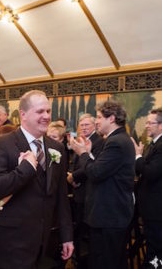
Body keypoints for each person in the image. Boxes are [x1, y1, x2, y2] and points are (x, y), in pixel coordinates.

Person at [0, 90, 73, 269]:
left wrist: (67, 236)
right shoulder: (2, 144)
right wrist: (25, 169)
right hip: (11, 242)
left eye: (48, 111)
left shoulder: (56, 147)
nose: (46, 116)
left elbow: (61, 196)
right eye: (40, 112)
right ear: (23, 115)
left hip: (45, 242)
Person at [70, 100, 135, 269]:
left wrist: (83, 153)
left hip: (109, 215)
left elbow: (95, 173)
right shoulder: (117, 139)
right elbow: (101, 169)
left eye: (99, 117)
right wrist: (90, 155)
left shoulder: (116, 142)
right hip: (110, 214)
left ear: (111, 118)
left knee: (106, 261)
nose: (96, 121)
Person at [67, 114, 104, 268]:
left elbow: (91, 166)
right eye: (81, 125)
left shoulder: (99, 142)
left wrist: (73, 177)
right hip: (79, 190)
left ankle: (84, 261)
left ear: (95, 125)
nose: (83, 127)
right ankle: (78, 259)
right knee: (78, 227)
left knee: (84, 231)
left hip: (88, 192)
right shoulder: (80, 140)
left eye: (87, 125)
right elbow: (75, 162)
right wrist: (71, 175)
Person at [132, 108, 162, 267]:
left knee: (156, 250)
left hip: (157, 209)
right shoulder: (154, 144)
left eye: (151, 122)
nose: (147, 125)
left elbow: (150, 172)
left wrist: (138, 156)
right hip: (151, 209)